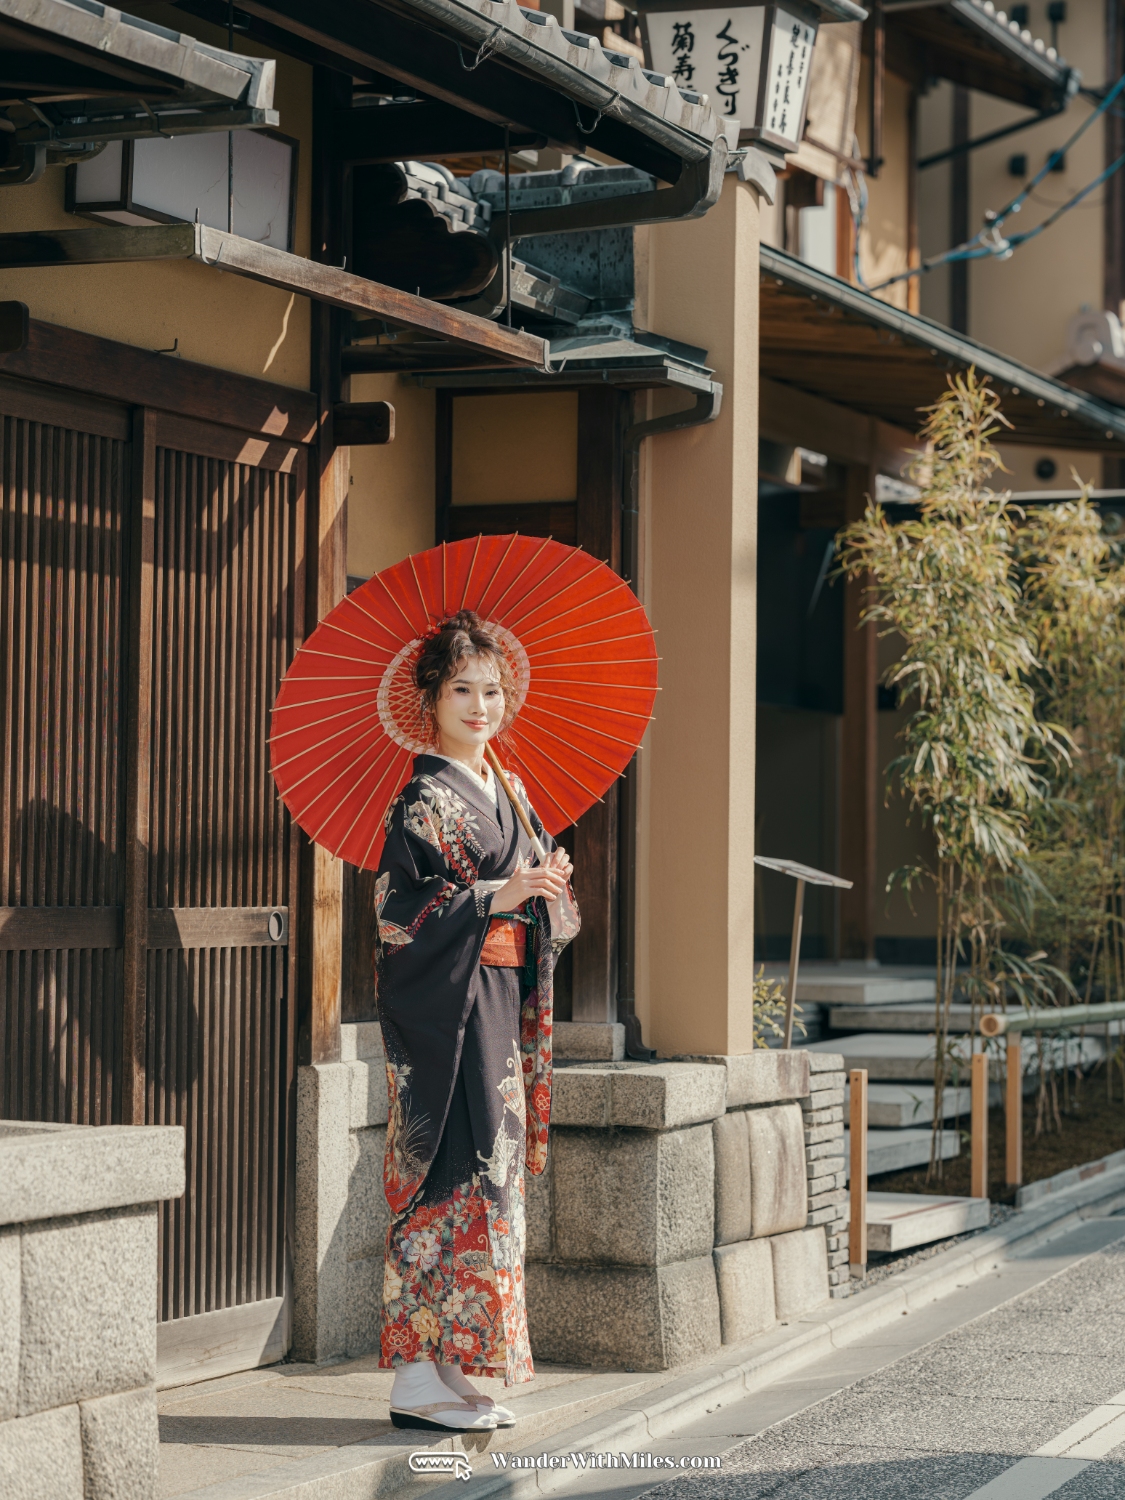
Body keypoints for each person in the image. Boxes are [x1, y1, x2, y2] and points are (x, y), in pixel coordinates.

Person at [373, 611, 579, 1432]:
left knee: (490, 1186)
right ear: (430, 696)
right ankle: (414, 1378)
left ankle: (453, 1361)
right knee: (448, 1177)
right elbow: (399, 917)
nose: (480, 705)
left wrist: (548, 885)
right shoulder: (422, 798)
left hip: (496, 1010)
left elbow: (537, 912)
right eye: (462, 688)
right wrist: (501, 894)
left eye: (493, 690)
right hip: (446, 1024)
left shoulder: (513, 791)